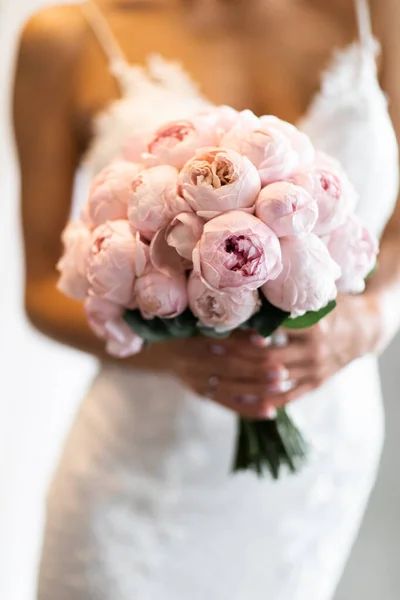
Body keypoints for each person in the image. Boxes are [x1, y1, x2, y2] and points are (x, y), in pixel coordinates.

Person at [13, 0, 400, 598]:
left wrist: (368, 322)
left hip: (319, 462)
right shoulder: (65, 40)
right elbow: (41, 289)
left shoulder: (380, 13)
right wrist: (169, 350)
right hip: (143, 475)